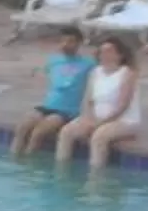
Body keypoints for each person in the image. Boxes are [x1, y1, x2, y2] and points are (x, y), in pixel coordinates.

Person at [57, 34, 142, 167]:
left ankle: (96, 175)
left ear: (120, 55)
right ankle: (62, 169)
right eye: (102, 51)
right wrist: (89, 119)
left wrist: (99, 124)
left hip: (123, 120)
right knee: (66, 132)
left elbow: (122, 106)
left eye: (109, 51)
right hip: (96, 118)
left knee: (98, 137)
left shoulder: (127, 74)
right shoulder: (95, 72)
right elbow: (88, 100)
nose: (104, 55)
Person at [15, 26, 95, 157]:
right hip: (47, 106)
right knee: (22, 127)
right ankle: (14, 159)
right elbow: (44, 75)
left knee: (38, 133)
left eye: (70, 41)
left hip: (67, 111)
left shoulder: (88, 64)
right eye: (63, 41)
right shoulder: (54, 60)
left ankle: (28, 162)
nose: (65, 44)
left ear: (79, 43)